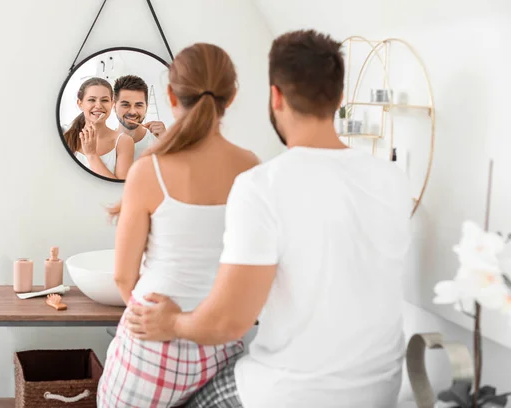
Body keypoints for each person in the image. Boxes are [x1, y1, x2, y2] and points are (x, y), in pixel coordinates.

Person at [125, 29, 413, 408]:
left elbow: (228, 323)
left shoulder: (262, 185)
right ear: (340, 99)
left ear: (275, 95)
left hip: (288, 393)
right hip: (379, 391)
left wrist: (172, 323)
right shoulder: (392, 180)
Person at [96, 43, 260, 408]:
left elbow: (123, 278)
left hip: (150, 352)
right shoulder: (251, 168)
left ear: (170, 95)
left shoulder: (148, 170)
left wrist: (149, 317)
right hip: (216, 344)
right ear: (230, 98)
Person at [63, 77, 134, 179]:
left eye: (104, 100)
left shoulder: (124, 141)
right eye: (91, 100)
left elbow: (118, 189)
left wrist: (91, 154)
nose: (98, 106)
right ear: (80, 104)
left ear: (112, 104)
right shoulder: (66, 138)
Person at [113, 74, 167, 160]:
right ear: (114, 107)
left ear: (146, 107)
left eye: (139, 105)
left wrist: (167, 142)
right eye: (125, 105)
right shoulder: (104, 143)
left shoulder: (159, 141)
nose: (132, 112)